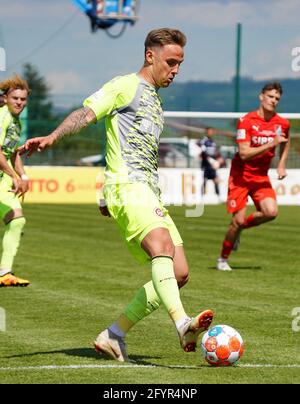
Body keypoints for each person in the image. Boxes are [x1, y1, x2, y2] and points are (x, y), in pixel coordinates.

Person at [19, 28, 214, 361]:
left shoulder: (154, 97)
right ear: (150, 56)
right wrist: (53, 136)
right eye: (171, 62)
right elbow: (87, 113)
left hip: (146, 190)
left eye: (180, 64)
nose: (176, 70)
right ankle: (182, 324)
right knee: (161, 247)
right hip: (129, 186)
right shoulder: (126, 86)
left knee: (179, 272)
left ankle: (114, 334)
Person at [217, 82, 290, 271]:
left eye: (277, 99)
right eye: (270, 96)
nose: (273, 101)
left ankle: (241, 228)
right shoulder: (246, 121)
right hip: (240, 177)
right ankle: (222, 260)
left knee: (271, 212)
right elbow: (244, 153)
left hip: (260, 177)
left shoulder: (282, 123)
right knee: (237, 220)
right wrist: (271, 143)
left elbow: (285, 142)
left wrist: (281, 165)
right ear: (261, 96)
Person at [0, 75, 30, 286]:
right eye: (15, 98)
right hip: (3, 178)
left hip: (2, 181)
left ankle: (4, 273)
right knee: (16, 219)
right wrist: (14, 176)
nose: (19, 102)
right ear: (6, 98)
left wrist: (24, 176)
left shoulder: (16, 121)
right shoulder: (2, 117)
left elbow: (12, 153)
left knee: (17, 220)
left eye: (23, 99)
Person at [198, 127, 225, 199]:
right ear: (206, 132)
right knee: (204, 180)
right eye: (209, 131)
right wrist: (209, 159)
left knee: (215, 179)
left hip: (213, 164)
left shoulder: (213, 141)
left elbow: (215, 152)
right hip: (206, 164)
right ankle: (201, 197)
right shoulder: (204, 141)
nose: (211, 133)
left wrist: (219, 158)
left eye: (212, 131)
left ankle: (218, 197)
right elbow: (201, 149)